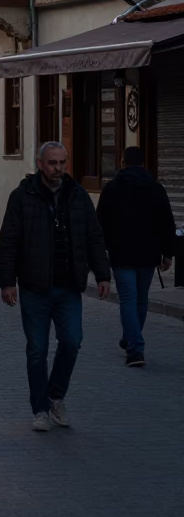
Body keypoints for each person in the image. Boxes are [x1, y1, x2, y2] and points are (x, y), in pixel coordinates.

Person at [0, 141, 110, 432]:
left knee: (72, 342)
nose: (58, 168)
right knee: (37, 349)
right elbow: (8, 241)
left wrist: (102, 274)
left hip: (68, 287)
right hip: (35, 288)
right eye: (52, 163)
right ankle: (40, 410)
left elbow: (94, 236)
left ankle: (55, 396)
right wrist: (7, 282)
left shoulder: (78, 195)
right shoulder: (23, 196)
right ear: (40, 164)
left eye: (62, 162)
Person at [96, 145, 176, 367]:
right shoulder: (156, 188)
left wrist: (101, 250)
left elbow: (99, 222)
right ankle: (132, 339)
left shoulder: (112, 188)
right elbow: (167, 222)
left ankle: (135, 347)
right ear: (143, 163)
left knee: (128, 300)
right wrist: (168, 253)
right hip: (148, 254)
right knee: (140, 299)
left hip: (121, 253)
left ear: (123, 162)